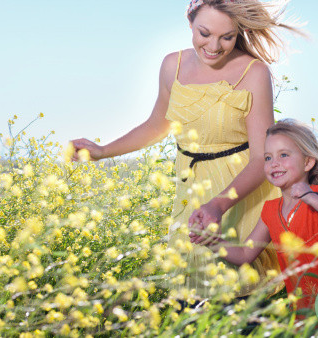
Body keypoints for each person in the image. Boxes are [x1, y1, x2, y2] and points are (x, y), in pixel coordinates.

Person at [71, 0, 302, 297]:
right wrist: (103, 150)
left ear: (239, 32)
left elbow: (262, 157)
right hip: (191, 187)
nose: (214, 46)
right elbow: (157, 125)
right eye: (204, 33)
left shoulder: (254, 72)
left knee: (240, 294)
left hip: (239, 191)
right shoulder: (172, 65)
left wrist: (219, 204)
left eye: (227, 37)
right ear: (190, 23)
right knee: (190, 290)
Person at [194, 119, 318, 309]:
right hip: (308, 310)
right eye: (268, 158)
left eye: (283, 155)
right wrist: (212, 241)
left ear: (308, 162)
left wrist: (312, 197)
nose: (274, 163)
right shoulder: (270, 211)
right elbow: (245, 254)